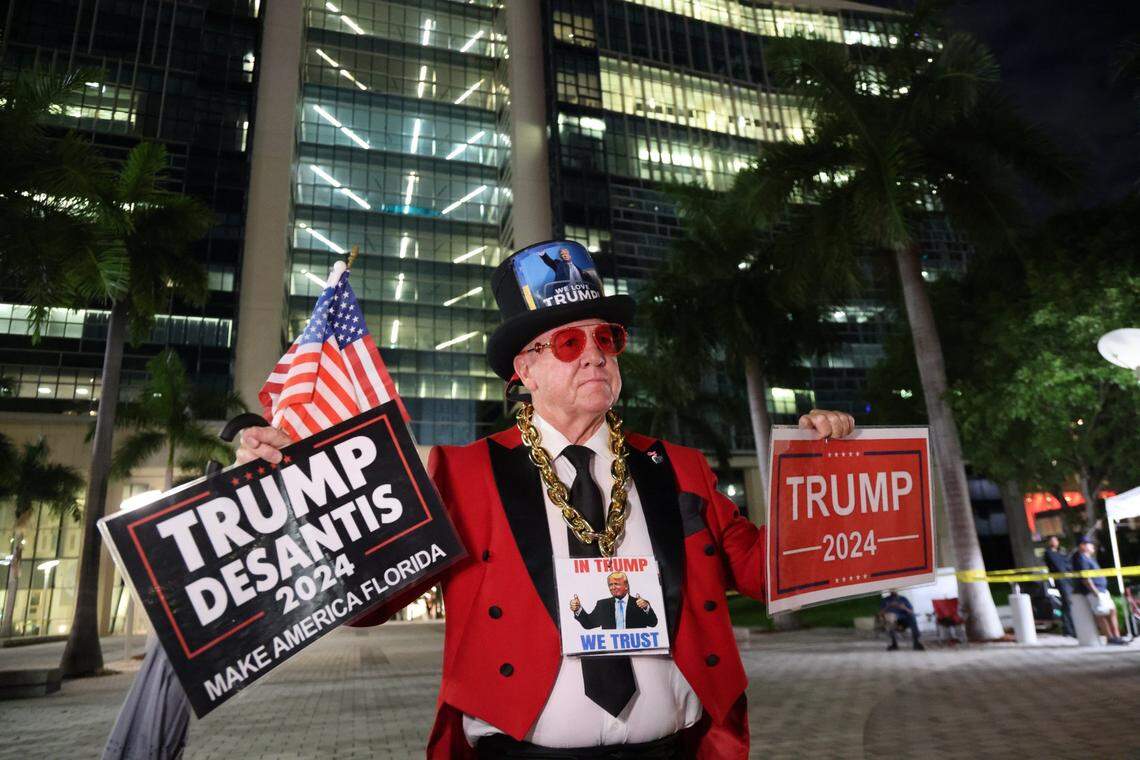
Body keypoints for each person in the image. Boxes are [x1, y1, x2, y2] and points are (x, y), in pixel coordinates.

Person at [236, 239, 856, 759]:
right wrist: (298, 496)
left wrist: (826, 475)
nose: (593, 353)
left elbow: (772, 571)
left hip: (675, 748)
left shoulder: (681, 467)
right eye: (566, 343)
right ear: (523, 372)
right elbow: (367, 605)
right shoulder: (460, 472)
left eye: (606, 338)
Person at [1070, 536, 1125, 645]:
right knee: (1101, 614)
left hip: (1102, 589)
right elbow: (1085, 578)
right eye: (1089, 544)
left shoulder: (1089, 558)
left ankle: (1116, 636)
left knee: (1111, 610)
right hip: (1096, 591)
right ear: (1082, 546)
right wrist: (1094, 591)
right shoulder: (1082, 559)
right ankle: (1110, 638)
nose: (1092, 546)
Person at [571, 571, 658, 630]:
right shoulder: (603, 605)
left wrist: (646, 608)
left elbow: (653, 623)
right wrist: (578, 609)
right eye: (610, 585)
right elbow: (588, 624)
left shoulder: (640, 604)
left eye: (616, 584)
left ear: (626, 586)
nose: (612, 588)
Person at [1042, 535, 1076, 637]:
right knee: (1067, 604)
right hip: (1062, 582)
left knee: (1067, 605)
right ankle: (1068, 629)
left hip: (1067, 581)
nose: (1055, 542)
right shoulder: (1049, 553)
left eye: (1056, 540)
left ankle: (1069, 628)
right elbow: (1060, 566)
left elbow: (1068, 565)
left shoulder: (1060, 553)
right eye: (1052, 540)